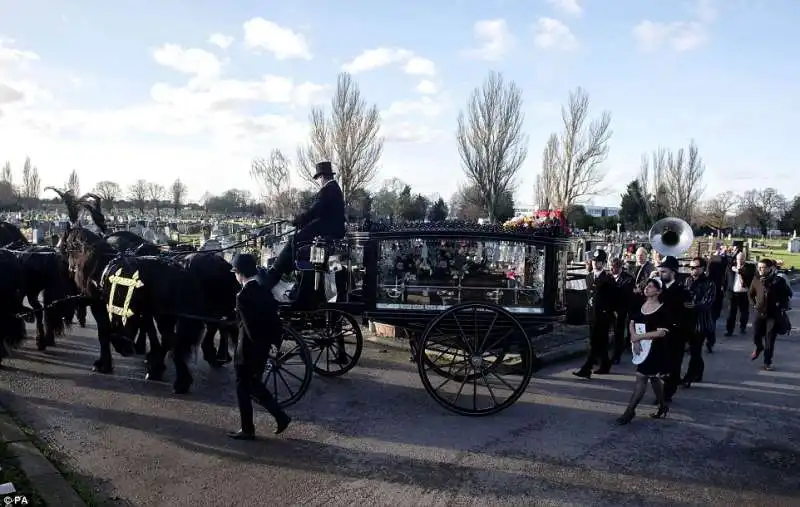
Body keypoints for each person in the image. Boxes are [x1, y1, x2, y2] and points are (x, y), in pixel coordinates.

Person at [227, 253, 291, 440]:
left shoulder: (243, 296)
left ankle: (248, 429)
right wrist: (273, 345)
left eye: (235, 273)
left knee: (243, 388)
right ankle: (280, 417)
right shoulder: (264, 290)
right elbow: (274, 321)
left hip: (247, 351)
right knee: (254, 386)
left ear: (239, 273)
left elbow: (249, 328)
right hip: (263, 348)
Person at [261, 161, 346, 291]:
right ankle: (283, 272)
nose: (318, 181)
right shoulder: (334, 189)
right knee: (295, 241)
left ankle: (273, 275)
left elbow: (314, 211)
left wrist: (298, 220)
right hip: (329, 229)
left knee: (293, 241)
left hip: (326, 231)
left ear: (322, 177)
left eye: (318, 178)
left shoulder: (328, 190)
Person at [616, 277, 671, 425]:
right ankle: (663, 406)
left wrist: (639, 337)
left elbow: (661, 333)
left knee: (641, 377)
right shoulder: (639, 304)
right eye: (647, 285)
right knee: (653, 378)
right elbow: (632, 322)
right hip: (641, 347)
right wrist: (634, 338)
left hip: (656, 348)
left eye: (651, 286)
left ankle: (629, 411)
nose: (647, 288)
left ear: (659, 291)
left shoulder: (662, 310)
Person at [573, 248, 615, 379]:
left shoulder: (607, 278)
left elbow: (612, 298)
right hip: (591, 314)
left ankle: (587, 368)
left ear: (603, 263)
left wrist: (608, 312)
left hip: (603, 316)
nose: (596, 264)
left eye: (599, 262)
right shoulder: (589, 276)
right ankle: (605, 364)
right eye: (594, 261)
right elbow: (589, 295)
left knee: (595, 342)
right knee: (600, 342)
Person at [657, 255, 692, 402]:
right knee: (660, 364)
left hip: (676, 334)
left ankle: (667, 393)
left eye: (664, 271)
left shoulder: (682, 291)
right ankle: (661, 391)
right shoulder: (657, 289)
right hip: (659, 333)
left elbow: (688, 316)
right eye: (660, 271)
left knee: (674, 365)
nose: (661, 274)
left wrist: (686, 337)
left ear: (673, 272)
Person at [748, 258, 792, 371]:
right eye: (760, 268)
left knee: (770, 339)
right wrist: (754, 304)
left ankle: (767, 362)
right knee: (756, 335)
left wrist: (781, 305)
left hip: (773, 314)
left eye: (764, 268)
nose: (761, 270)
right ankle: (758, 347)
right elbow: (750, 294)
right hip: (759, 312)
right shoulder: (756, 279)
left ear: (770, 268)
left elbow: (788, 294)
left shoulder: (778, 281)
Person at [681, 257, 716, 387]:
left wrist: (692, 305)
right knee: (694, 350)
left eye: (694, 267)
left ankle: (688, 377)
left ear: (702, 268)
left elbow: (707, 303)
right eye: (690, 267)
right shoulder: (687, 280)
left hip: (701, 323)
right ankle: (699, 372)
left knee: (695, 350)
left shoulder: (710, 283)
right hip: (688, 321)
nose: (692, 270)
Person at [610, 257, 635, 364]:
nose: (611, 270)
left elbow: (626, 295)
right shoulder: (608, 277)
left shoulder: (628, 279)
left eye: (614, 267)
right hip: (608, 309)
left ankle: (616, 355)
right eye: (611, 267)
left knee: (618, 333)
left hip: (620, 310)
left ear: (620, 268)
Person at [725, 252, 755, 336]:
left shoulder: (750, 267)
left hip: (744, 293)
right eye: (738, 259)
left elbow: (747, 273)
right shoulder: (730, 267)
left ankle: (743, 327)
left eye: (742, 259)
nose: (740, 260)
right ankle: (729, 330)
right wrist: (725, 290)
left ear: (745, 259)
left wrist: (738, 270)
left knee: (744, 312)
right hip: (733, 293)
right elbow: (726, 279)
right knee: (731, 312)